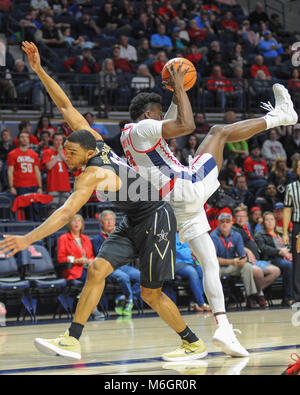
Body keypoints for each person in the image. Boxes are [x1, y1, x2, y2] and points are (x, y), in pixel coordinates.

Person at [0, 41, 206, 363]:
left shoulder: (91, 175)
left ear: (84, 152)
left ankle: (192, 343)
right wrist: (39, 69)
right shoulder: (92, 141)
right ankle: (71, 339)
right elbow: (66, 106)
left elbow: (66, 211)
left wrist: (27, 238)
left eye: (69, 152)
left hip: (157, 218)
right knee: (97, 269)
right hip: (133, 219)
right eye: (63, 151)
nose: (64, 156)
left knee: (150, 294)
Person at [120, 60, 297, 356]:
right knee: (218, 132)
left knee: (209, 262)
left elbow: (176, 116)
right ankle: (281, 117)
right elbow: (186, 125)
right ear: (149, 114)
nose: (162, 117)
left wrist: (177, 92)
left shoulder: (136, 135)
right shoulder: (143, 128)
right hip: (184, 188)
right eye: (158, 113)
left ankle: (224, 328)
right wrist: (178, 84)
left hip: (175, 203)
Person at [92, 210, 141, 316]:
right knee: (123, 277)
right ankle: (129, 299)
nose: (109, 222)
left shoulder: (121, 236)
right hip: (108, 268)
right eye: (106, 220)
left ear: (115, 222)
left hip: (123, 265)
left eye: (111, 219)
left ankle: (125, 298)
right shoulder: (97, 239)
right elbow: (100, 256)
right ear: (101, 223)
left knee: (141, 276)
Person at [232, 205, 281, 307]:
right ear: (235, 218)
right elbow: (235, 244)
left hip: (256, 260)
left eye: (243, 216)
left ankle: (254, 292)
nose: (240, 219)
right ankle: (259, 295)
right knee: (258, 272)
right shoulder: (233, 229)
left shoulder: (246, 227)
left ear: (247, 218)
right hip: (244, 261)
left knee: (276, 271)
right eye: (238, 216)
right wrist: (247, 251)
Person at [210, 212, 258, 309]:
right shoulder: (213, 236)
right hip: (218, 267)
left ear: (231, 223)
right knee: (212, 272)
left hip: (232, 266)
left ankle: (250, 297)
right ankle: (216, 300)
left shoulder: (236, 235)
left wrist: (243, 259)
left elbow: (241, 254)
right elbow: (212, 259)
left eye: (227, 222)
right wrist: (232, 261)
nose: (225, 224)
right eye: (222, 222)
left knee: (247, 267)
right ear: (218, 224)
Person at [255, 211, 294, 306]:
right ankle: (288, 298)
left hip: (284, 256)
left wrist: (288, 252)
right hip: (270, 259)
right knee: (288, 265)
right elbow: (262, 249)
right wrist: (278, 251)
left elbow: (288, 244)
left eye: (272, 219)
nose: (270, 222)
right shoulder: (259, 234)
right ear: (263, 222)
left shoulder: (280, 233)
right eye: (267, 220)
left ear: (275, 221)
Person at [7, 129, 43, 221]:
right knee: (23, 212)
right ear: (18, 139)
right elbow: (10, 171)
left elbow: (37, 171)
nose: (24, 139)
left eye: (26, 137)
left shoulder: (34, 154)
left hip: (33, 186)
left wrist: (40, 187)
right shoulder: (12, 154)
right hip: (20, 186)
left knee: (35, 210)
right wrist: (11, 186)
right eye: (22, 137)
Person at [175, 233, 211, 312]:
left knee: (202, 270)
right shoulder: (171, 234)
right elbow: (176, 250)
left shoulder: (185, 233)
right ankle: (201, 303)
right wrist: (190, 251)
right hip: (177, 262)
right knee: (192, 272)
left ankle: (194, 301)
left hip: (190, 261)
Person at [283, 158, 300, 305]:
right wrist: (284, 232)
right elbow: (287, 210)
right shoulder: (291, 187)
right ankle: (298, 296)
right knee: (298, 260)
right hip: (298, 226)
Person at [41, 132, 71, 209]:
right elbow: (49, 166)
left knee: (65, 210)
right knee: (53, 210)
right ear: (53, 140)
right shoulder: (47, 152)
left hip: (65, 186)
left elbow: (70, 167)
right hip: (53, 186)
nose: (59, 142)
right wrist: (58, 155)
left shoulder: (66, 153)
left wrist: (62, 155)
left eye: (60, 140)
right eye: (56, 140)